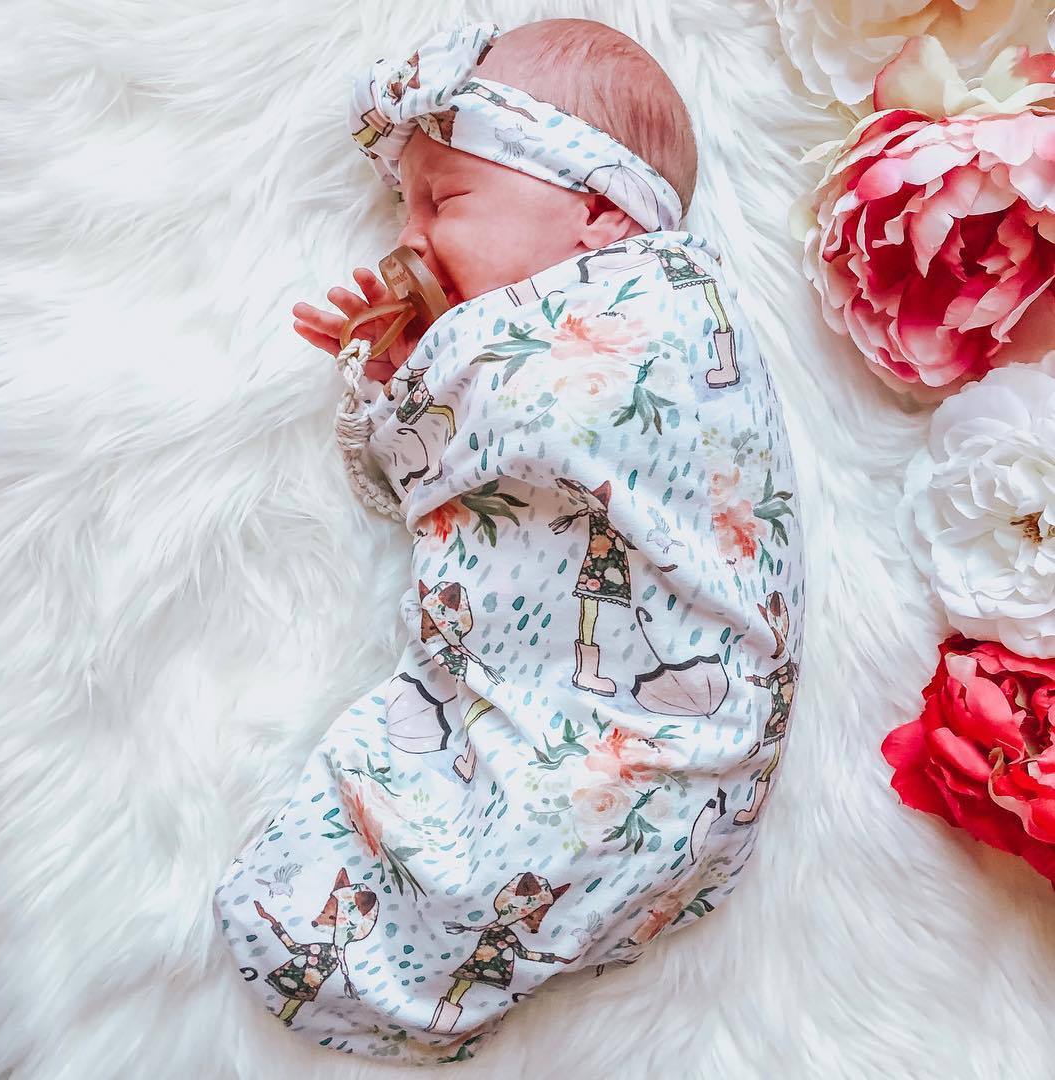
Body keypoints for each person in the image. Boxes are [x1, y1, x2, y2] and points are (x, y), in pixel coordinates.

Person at [214, 18, 806, 1064]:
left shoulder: (657, 314)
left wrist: (425, 379)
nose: (411, 237)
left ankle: (429, 944)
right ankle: (435, 932)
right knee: (505, 793)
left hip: (669, 723)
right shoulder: (534, 333)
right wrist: (412, 370)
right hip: (574, 703)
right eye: (405, 206)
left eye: (443, 201)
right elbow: (463, 483)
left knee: (549, 821)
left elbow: (531, 420)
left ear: (597, 210)